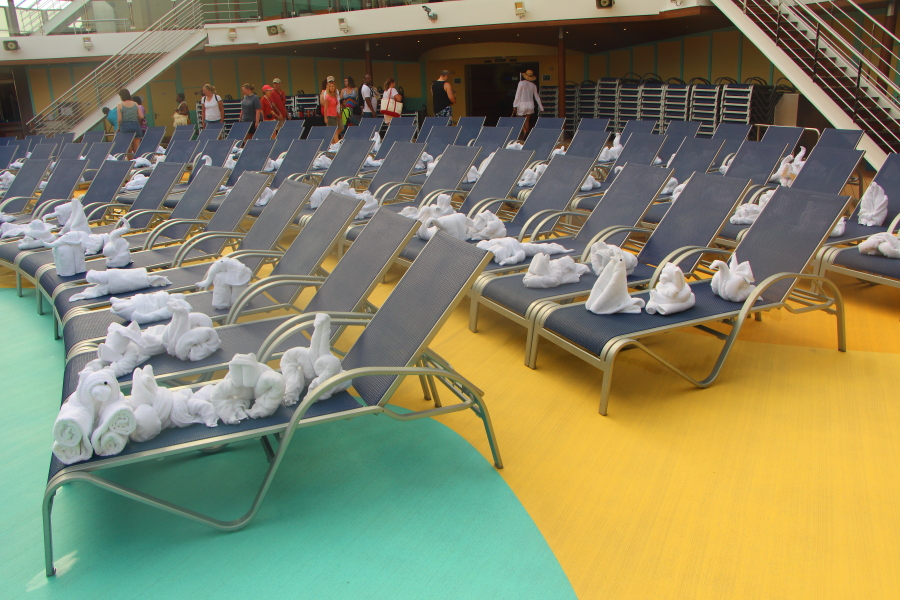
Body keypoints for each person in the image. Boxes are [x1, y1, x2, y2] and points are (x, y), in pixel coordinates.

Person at [512, 69, 543, 137]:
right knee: (527, 121)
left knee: (519, 120)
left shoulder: (521, 83)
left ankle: (525, 132)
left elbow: (518, 95)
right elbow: (537, 97)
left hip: (522, 104)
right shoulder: (533, 85)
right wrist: (541, 107)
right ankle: (526, 135)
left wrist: (515, 105)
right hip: (530, 105)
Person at [115, 88, 143, 156]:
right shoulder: (135, 104)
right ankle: (137, 160)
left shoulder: (120, 105)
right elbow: (141, 116)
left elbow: (119, 119)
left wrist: (118, 127)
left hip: (125, 126)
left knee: (128, 145)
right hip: (135, 125)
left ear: (121, 96)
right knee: (136, 145)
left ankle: (130, 160)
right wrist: (138, 122)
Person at [320, 76, 340, 145]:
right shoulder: (327, 96)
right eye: (330, 86)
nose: (332, 88)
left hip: (334, 115)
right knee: (334, 131)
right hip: (329, 116)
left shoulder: (334, 96)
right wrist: (325, 117)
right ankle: (337, 144)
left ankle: (332, 144)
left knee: (332, 131)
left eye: (333, 86)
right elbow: (325, 107)